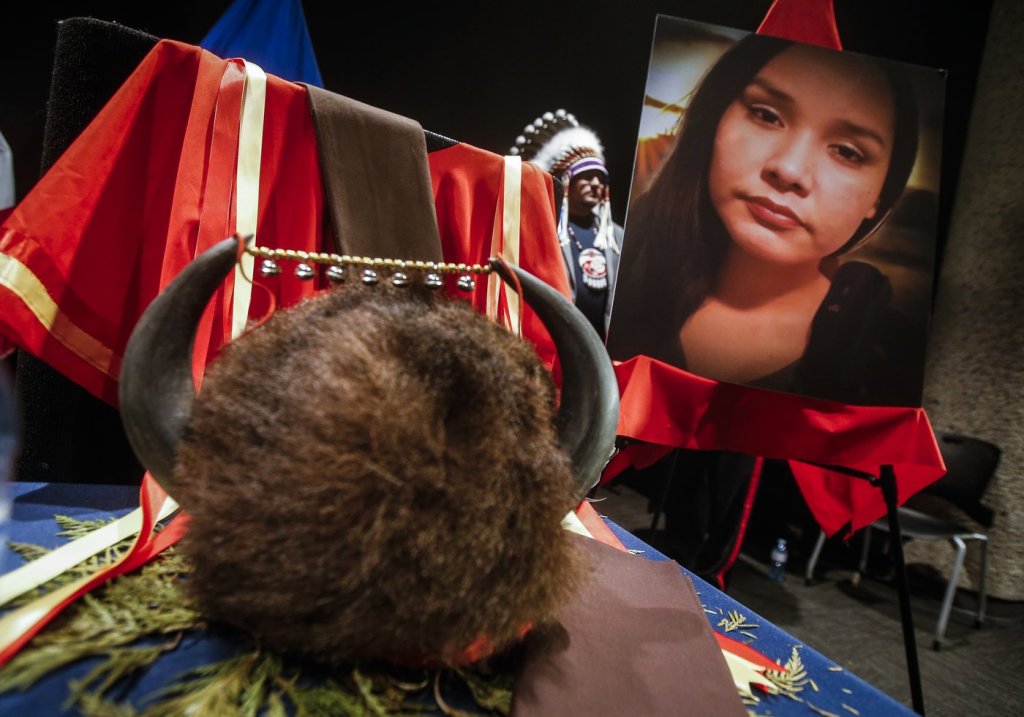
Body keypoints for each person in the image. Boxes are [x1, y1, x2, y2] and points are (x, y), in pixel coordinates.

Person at [607, 35, 925, 407]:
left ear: (880, 197)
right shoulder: (614, 270)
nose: (789, 169)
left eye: (846, 152)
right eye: (766, 115)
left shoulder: (891, 364)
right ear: (714, 122)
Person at [510, 110, 623, 340]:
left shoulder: (616, 236)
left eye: (601, 178)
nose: (596, 183)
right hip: (555, 340)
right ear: (566, 180)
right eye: (587, 176)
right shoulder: (546, 229)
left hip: (604, 345)